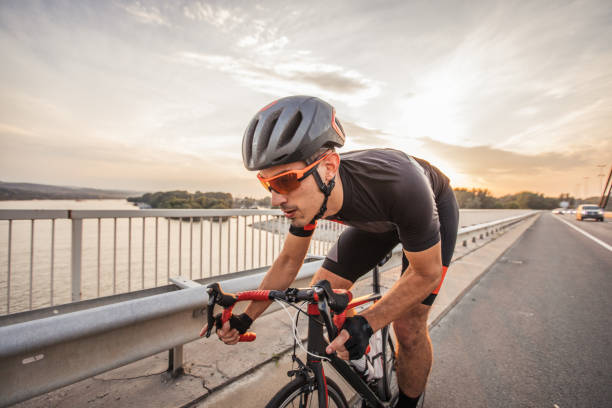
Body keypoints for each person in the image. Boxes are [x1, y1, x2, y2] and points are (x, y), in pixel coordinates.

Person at [205, 95, 459, 408]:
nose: (275, 199)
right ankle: (370, 366)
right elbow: (288, 262)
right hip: (375, 222)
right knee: (322, 291)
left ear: (328, 167)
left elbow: (426, 272)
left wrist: (369, 322)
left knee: (408, 325)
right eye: (266, 184)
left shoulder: (402, 183)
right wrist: (246, 319)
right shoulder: (310, 198)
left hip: (428, 205)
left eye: (284, 181)